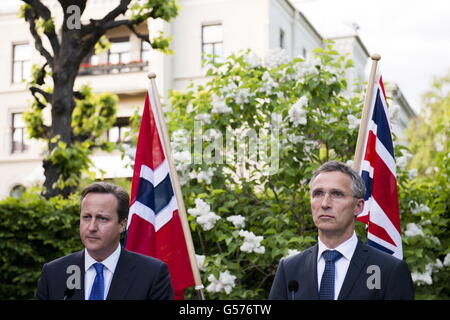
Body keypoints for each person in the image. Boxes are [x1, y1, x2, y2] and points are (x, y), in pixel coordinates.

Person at [269, 161, 414, 300]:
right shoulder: (289, 269)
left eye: (337, 194)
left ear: (358, 206)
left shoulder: (389, 270)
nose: (325, 204)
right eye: (318, 193)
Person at [35, 182, 173, 300]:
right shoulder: (54, 273)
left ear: (122, 224)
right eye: (87, 217)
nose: (92, 227)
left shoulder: (152, 274)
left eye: (102, 218)